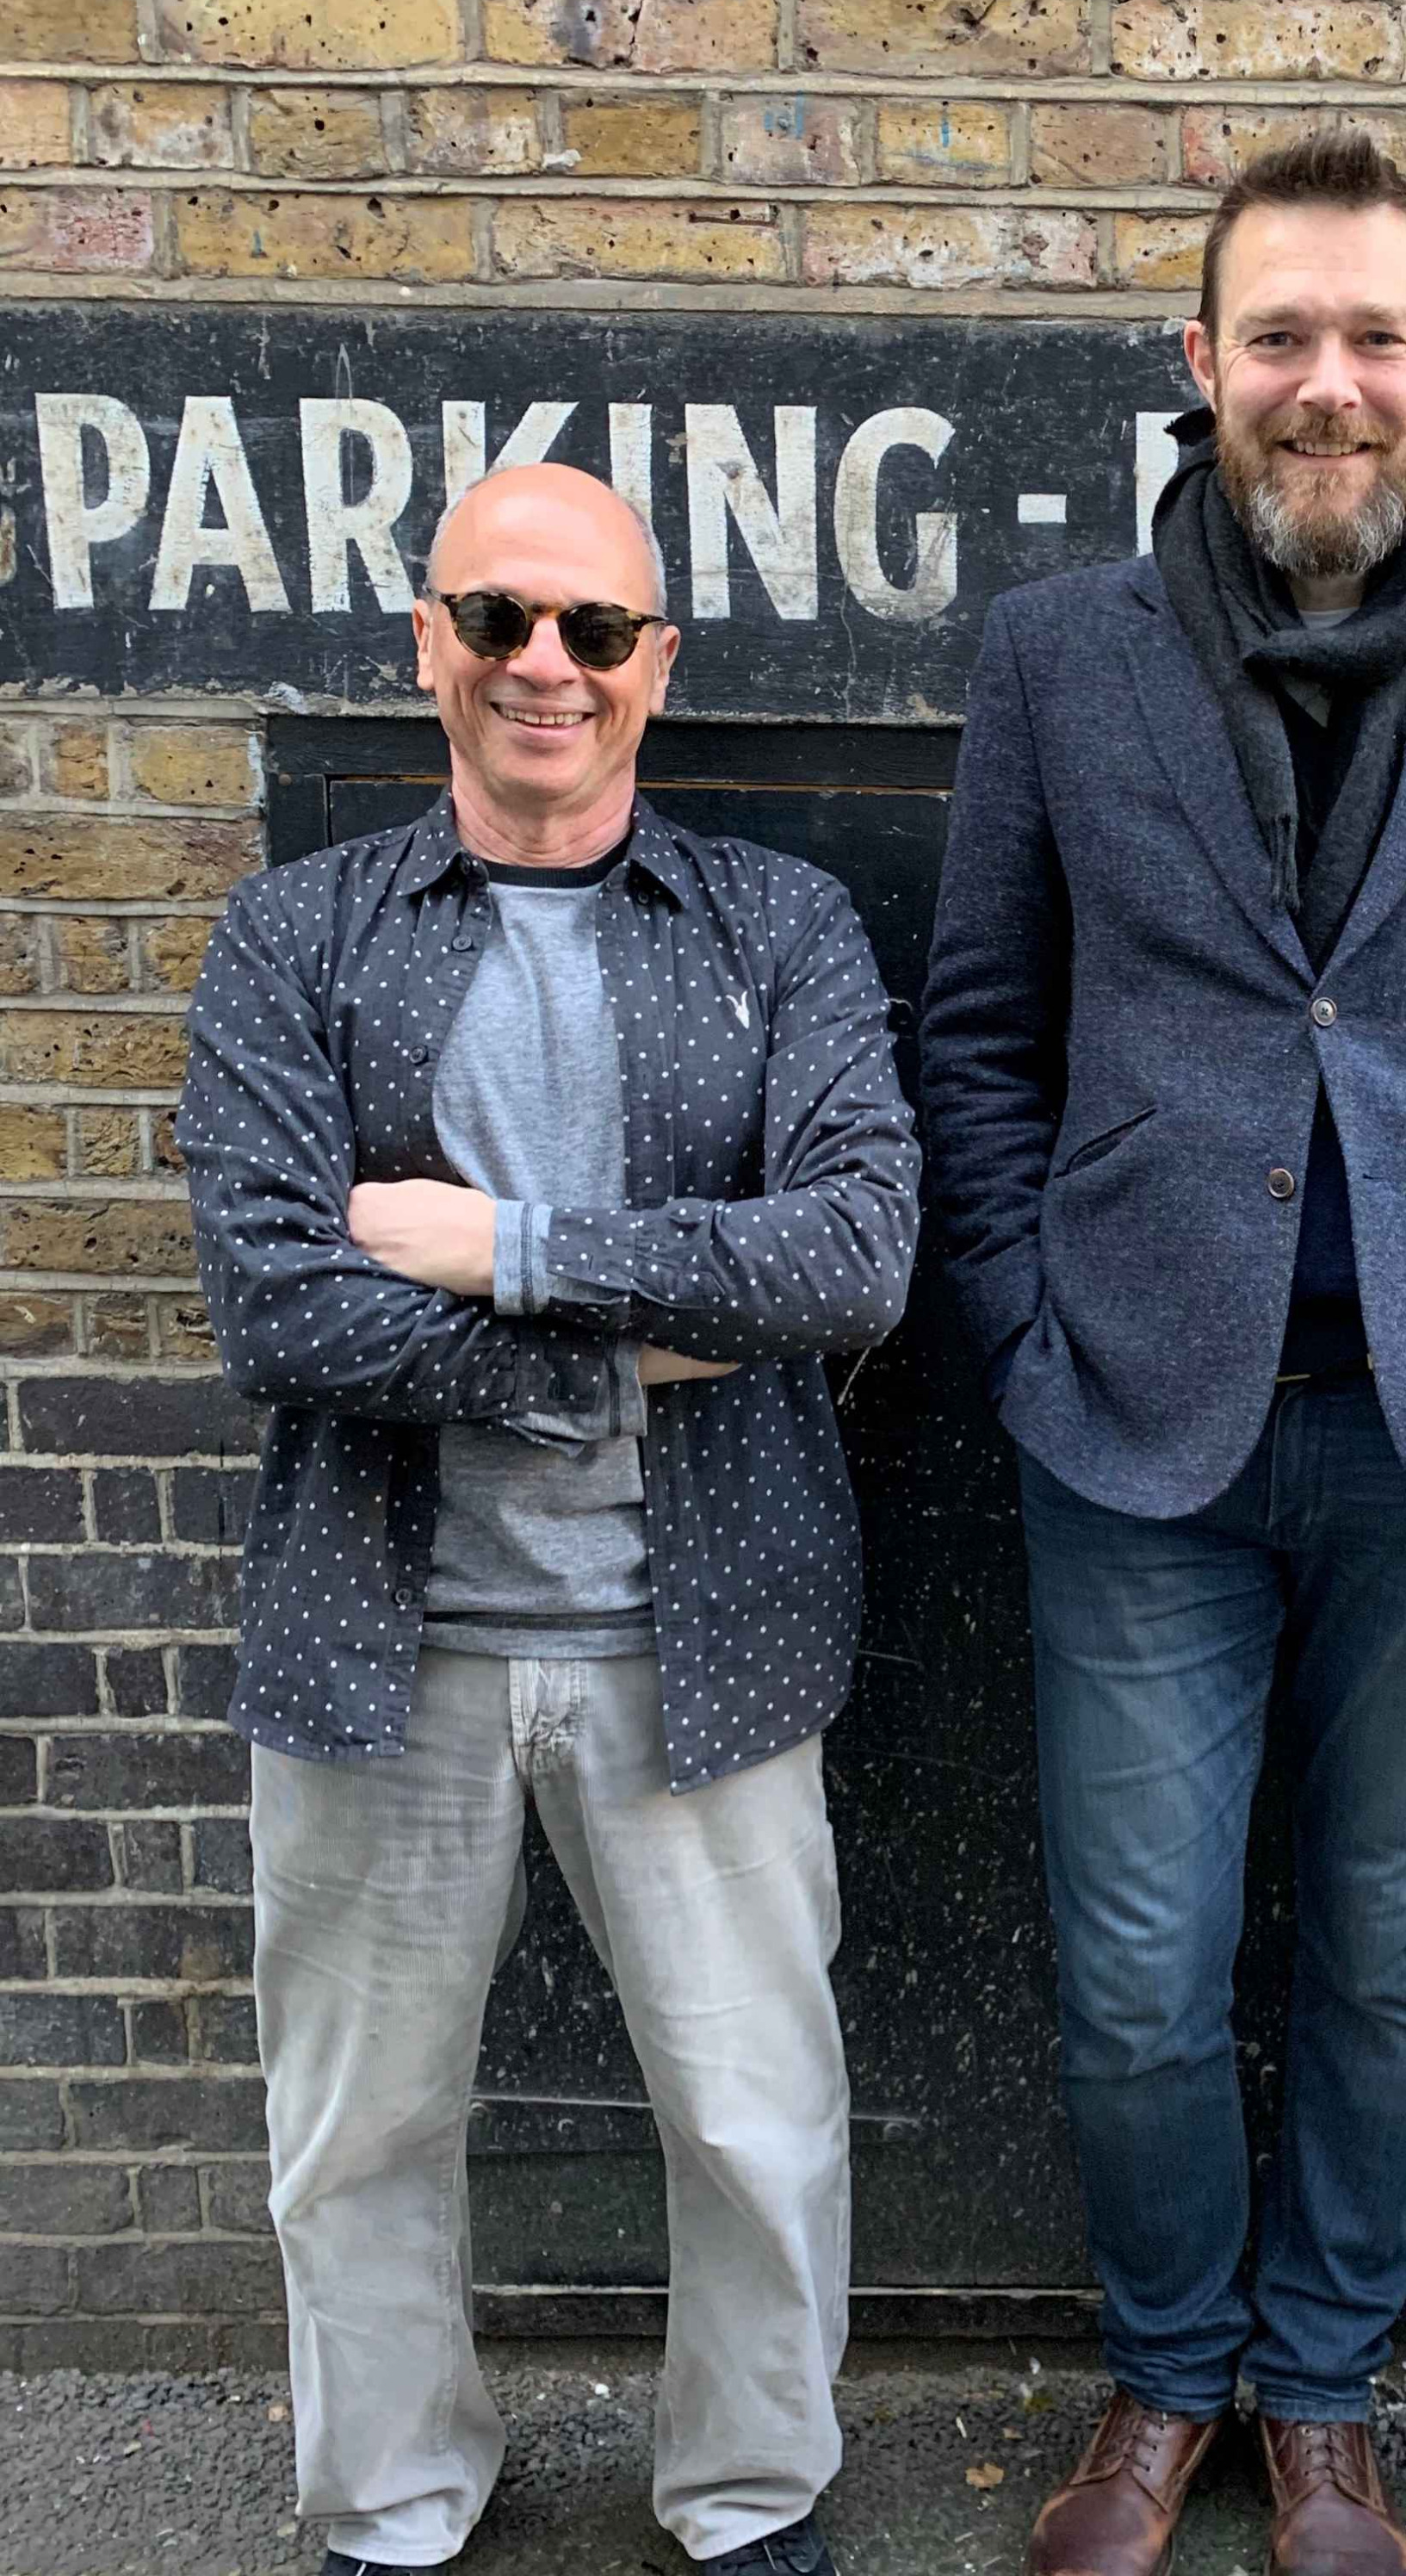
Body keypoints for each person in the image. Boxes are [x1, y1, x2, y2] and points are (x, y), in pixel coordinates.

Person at [919, 130, 1406, 2576]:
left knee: (1387, 1957)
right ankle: (1166, 2380)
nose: (1324, 383)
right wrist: (1024, 1324)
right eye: (1277, 338)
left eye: (1370, 336)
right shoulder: (1062, 652)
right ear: (1202, 365)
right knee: (1139, 1973)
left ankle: (1322, 2393)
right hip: (1132, 1424)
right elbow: (984, 1029)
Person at [180, 462, 920, 2576]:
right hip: (380, 1637)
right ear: (427, 639)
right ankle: (392, 2500)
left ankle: (752, 2494)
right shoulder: (299, 935)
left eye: (594, 631)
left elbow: (853, 1255)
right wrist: (624, 1351)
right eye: (498, 617)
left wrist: (495, 1244)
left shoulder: (777, 930)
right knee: (358, 2129)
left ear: (655, 665)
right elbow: (278, 1305)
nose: (545, 666)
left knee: (756, 2124)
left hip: (709, 1634)